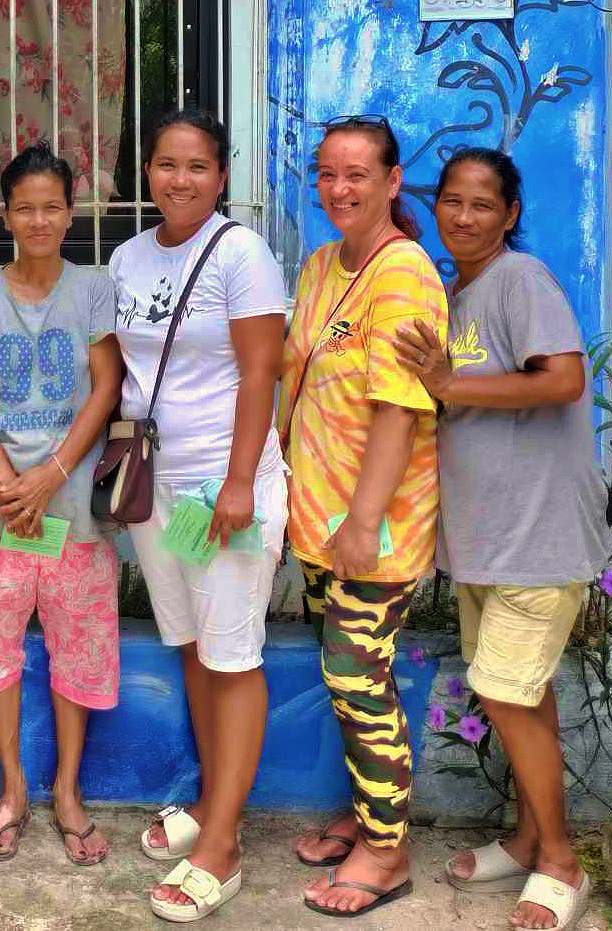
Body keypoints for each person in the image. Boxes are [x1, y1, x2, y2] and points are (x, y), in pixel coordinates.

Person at [398, 148, 605, 931]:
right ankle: (525, 838)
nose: (463, 215)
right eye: (452, 200)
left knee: (505, 689)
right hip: (491, 538)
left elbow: (562, 377)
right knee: (523, 693)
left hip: (539, 535)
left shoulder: (521, 280)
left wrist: (450, 385)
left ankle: (561, 862)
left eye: (482, 203)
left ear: (510, 213)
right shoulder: (459, 293)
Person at [110, 110, 289, 921]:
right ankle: (216, 803)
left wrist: (242, 480)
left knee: (233, 654)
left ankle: (223, 845)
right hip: (156, 489)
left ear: (221, 176)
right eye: (164, 164)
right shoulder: (127, 256)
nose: (178, 179)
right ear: (145, 171)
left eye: (196, 167)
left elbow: (261, 373)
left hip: (220, 490)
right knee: (190, 644)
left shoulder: (241, 254)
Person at [279, 116, 448, 918]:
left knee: (354, 675)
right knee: (352, 679)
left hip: (374, 529)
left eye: (357, 174)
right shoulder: (318, 267)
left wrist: (361, 516)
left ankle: (388, 850)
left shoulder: (405, 272)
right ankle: (371, 812)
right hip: (317, 520)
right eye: (327, 174)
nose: (339, 189)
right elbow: (298, 384)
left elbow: (398, 408)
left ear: (391, 180)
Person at [0, 143, 121, 868]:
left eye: (53, 205)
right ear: (5, 213)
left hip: (73, 508)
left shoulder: (94, 287)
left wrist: (50, 475)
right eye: (26, 206)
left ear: (73, 212)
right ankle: (14, 786)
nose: (40, 218)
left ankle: (68, 789)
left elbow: (106, 386)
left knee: (78, 654)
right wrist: (5, 480)